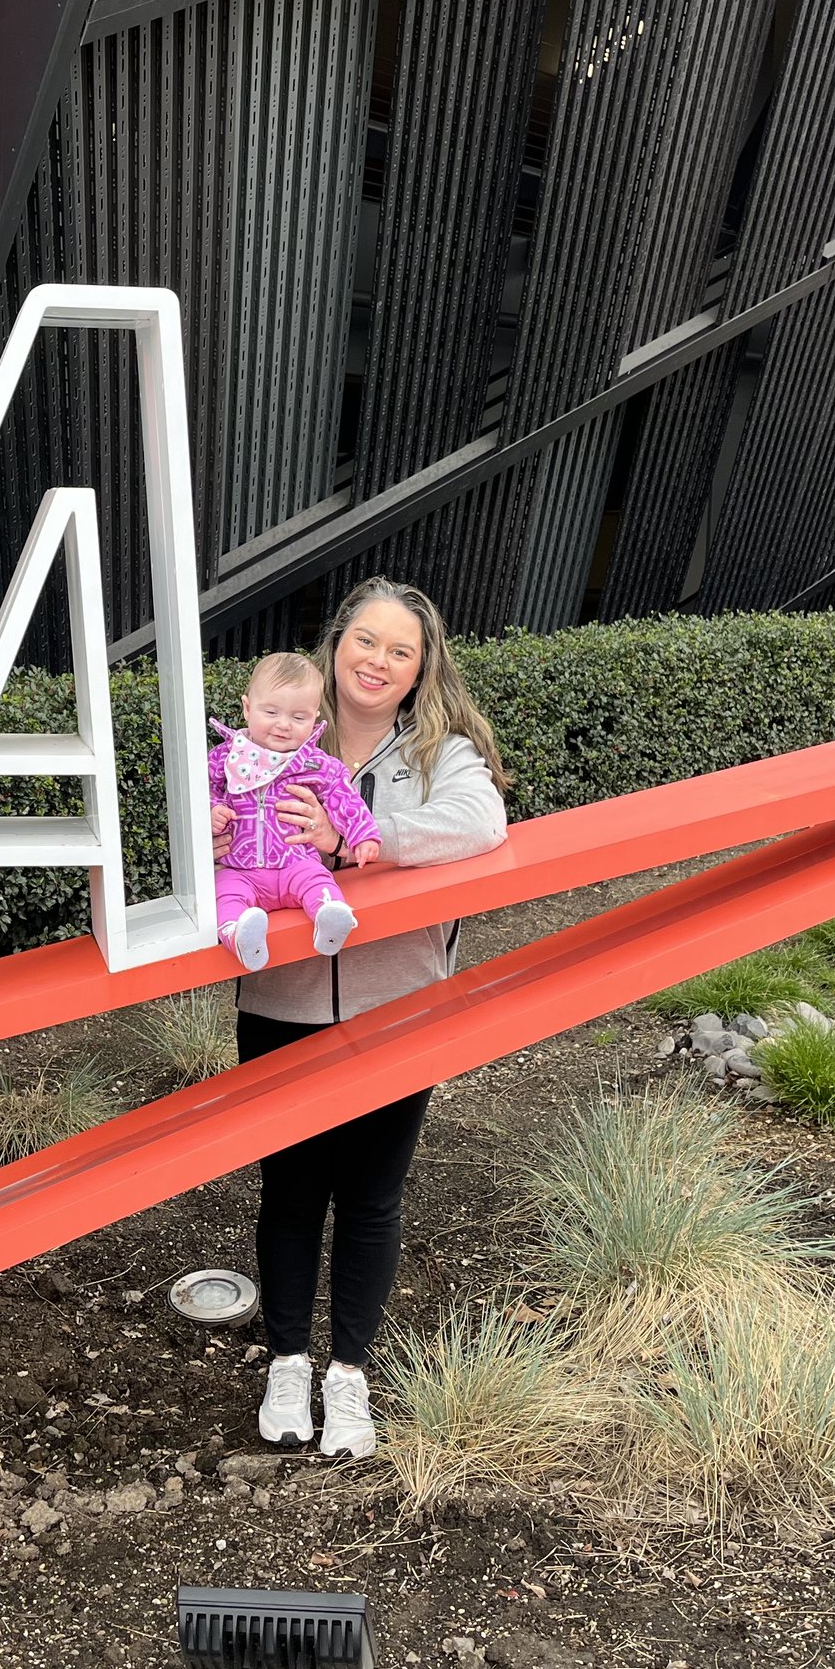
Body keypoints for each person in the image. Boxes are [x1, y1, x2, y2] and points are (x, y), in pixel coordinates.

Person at [229, 578, 509, 1459]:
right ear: (335, 643)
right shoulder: (270, 735)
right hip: (282, 1000)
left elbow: (481, 821)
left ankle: (348, 1374)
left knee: (372, 1199)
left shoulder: (439, 751)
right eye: (366, 640)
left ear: (422, 668)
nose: (378, 661)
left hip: (399, 1004)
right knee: (290, 1192)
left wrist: (358, 832)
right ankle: (286, 1359)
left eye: (401, 650)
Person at [208, 651, 383, 971]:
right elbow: (202, 791)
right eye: (271, 711)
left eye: (299, 717)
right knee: (224, 893)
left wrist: (362, 833)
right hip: (241, 870)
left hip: (296, 862)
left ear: (314, 718)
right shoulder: (224, 758)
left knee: (319, 880)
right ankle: (240, 935)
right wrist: (212, 811)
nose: (283, 725)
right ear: (247, 708)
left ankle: (330, 918)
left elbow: (341, 793)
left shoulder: (314, 763)